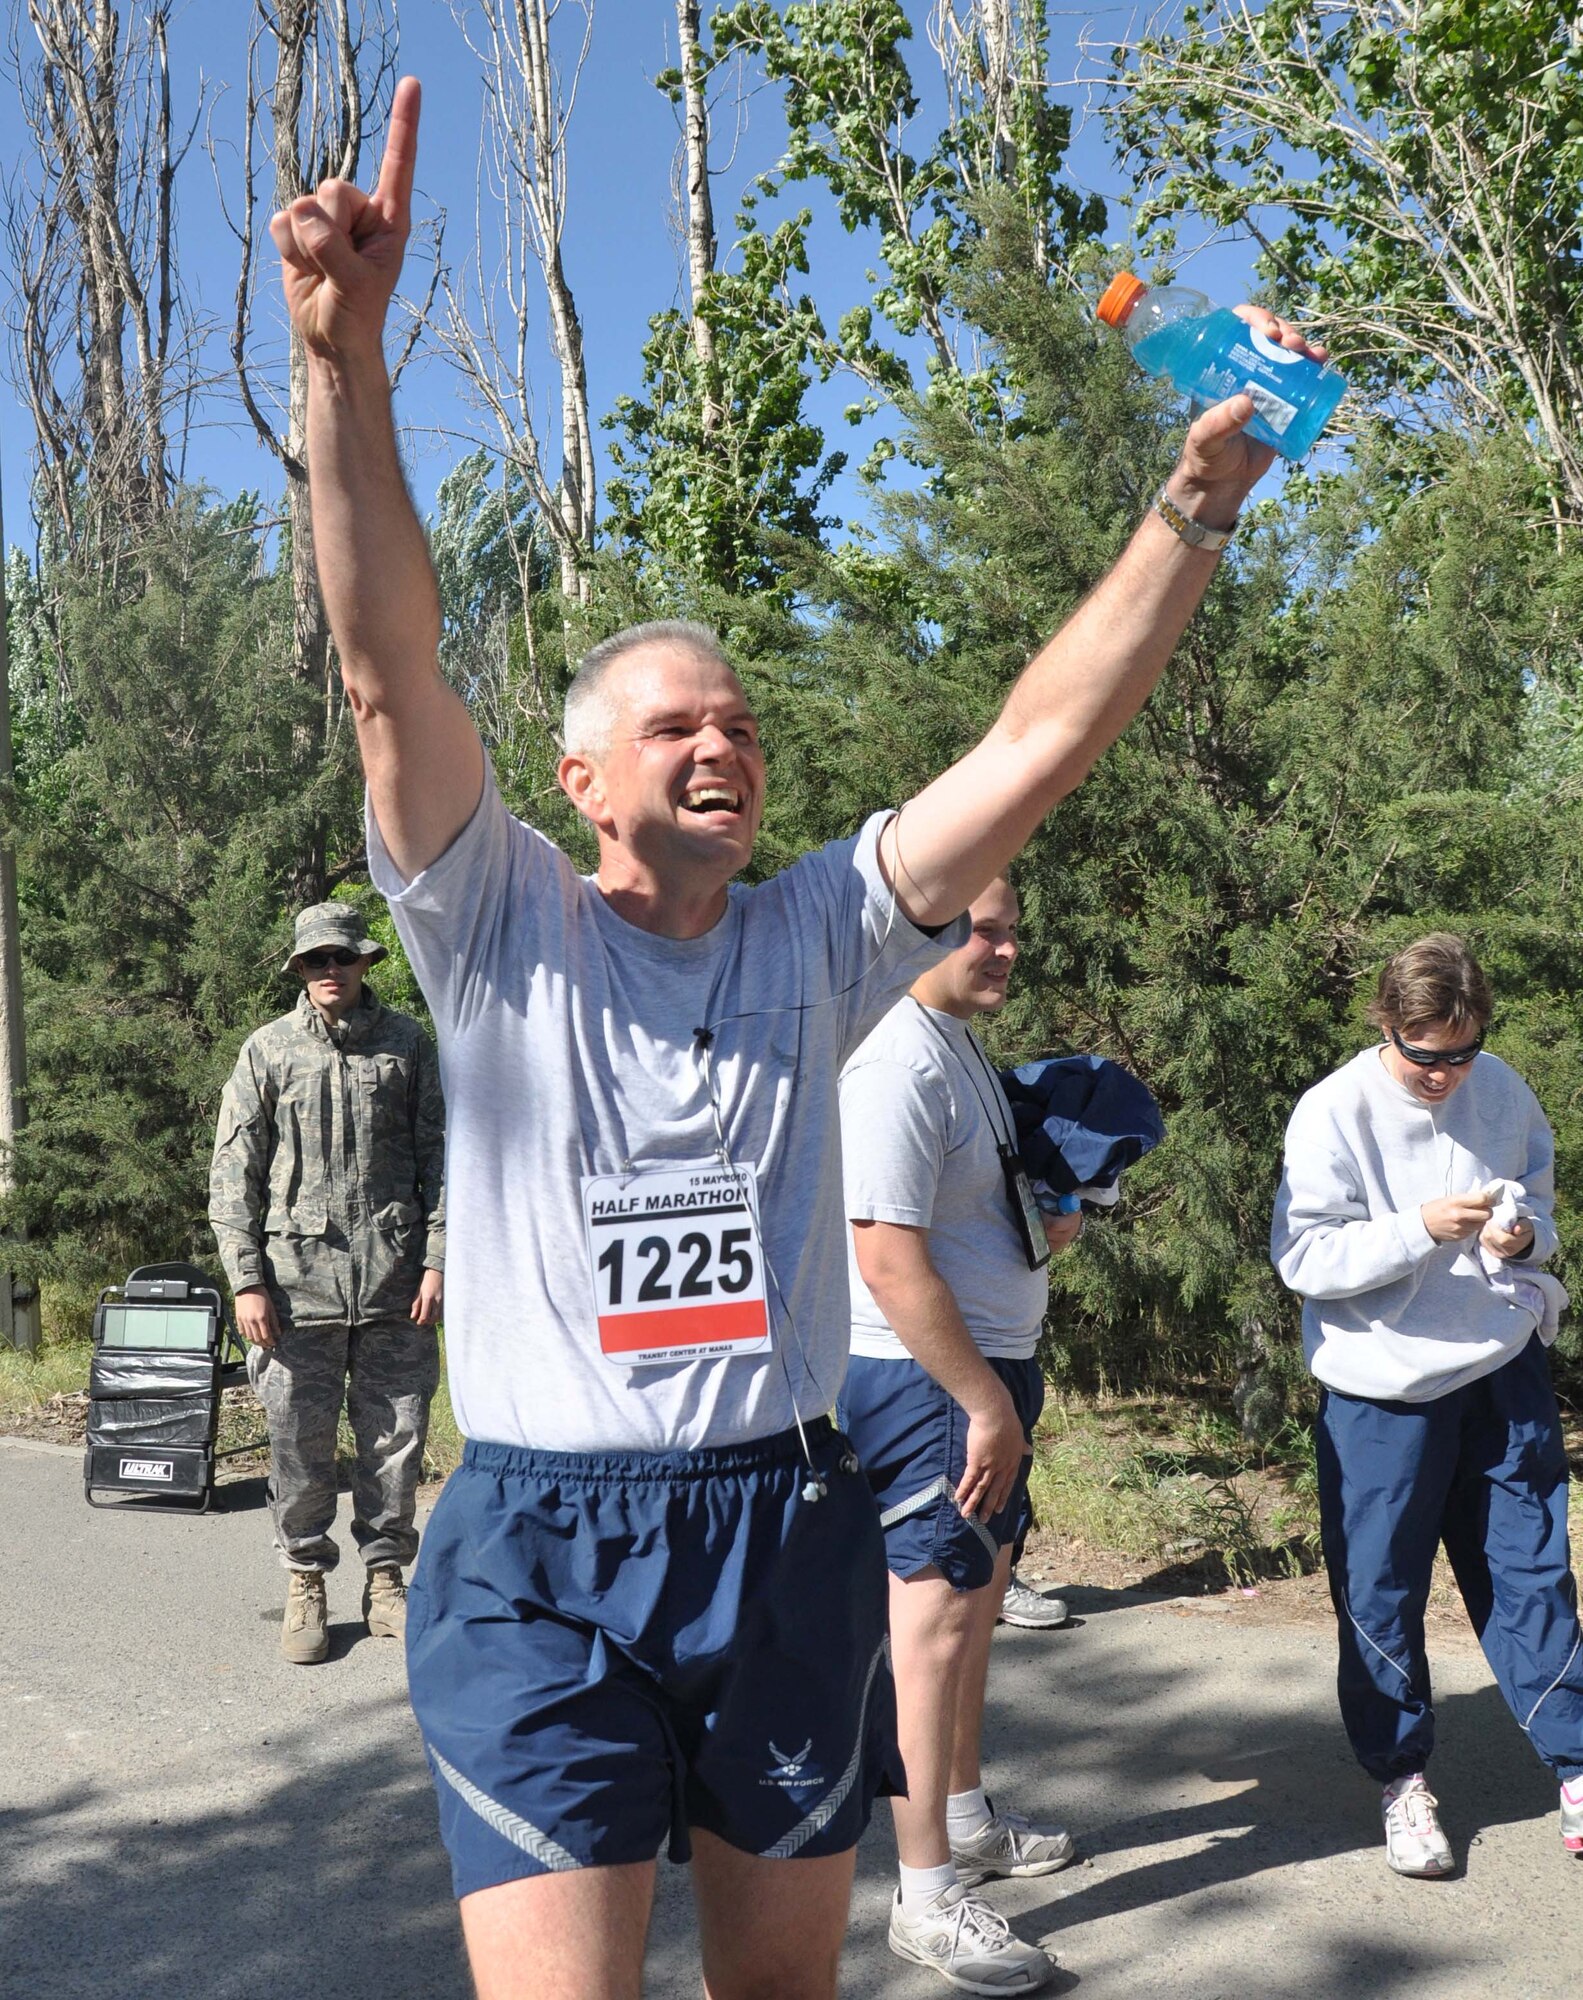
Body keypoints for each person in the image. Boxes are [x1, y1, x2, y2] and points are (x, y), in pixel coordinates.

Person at [267, 74, 1316, 2000]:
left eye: (738, 719)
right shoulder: (487, 916)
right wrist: (342, 368)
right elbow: (384, 657)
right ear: (575, 774)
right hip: (537, 1550)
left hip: (777, 1520)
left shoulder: (818, 934)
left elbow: (1033, 744)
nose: (721, 738)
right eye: (673, 723)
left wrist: (1191, 502)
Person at [1272, 934, 1583, 1878]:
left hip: (1497, 1368)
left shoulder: (1503, 1086)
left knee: (1531, 1570)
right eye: (1424, 1054)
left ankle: (1574, 1764)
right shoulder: (1331, 1111)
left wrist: (1524, 1237)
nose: (1444, 1073)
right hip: (1380, 1391)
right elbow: (1305, 1260)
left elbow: (1542, 1208)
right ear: (1384, 1024)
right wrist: (1415, 1230)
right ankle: (1401, 1781)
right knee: (1381, 1586)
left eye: (1461, 1052)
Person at [839, 877, 1080, 1993]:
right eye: (982, 928)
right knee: (927, 1630)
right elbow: (885, 1258)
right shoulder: (895, 1055)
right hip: (932, 1383)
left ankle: (967, 1818)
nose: (1007, 948)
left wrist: (1048, 1223)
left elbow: (965, 1216)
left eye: (1011, 927)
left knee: (974, 1610)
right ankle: (926, 1895)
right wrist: (980, 1398)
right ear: (918, 931)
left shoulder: (955, 1045)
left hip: (983, 1373)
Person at [210, 902, 446, 1665]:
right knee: (298, 1446)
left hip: (395, 1284)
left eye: (342, 957)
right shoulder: (267, 1052)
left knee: (394, 1443)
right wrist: (246, 1280)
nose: (331, 971)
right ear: (301, 970)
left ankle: (384, 1582)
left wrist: (439, 1259)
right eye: (316, 961)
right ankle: (305, 1580)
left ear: (366, 962)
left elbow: (444, 1163)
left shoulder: (408, 1045)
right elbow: (233, 1175)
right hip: (292, 1293)